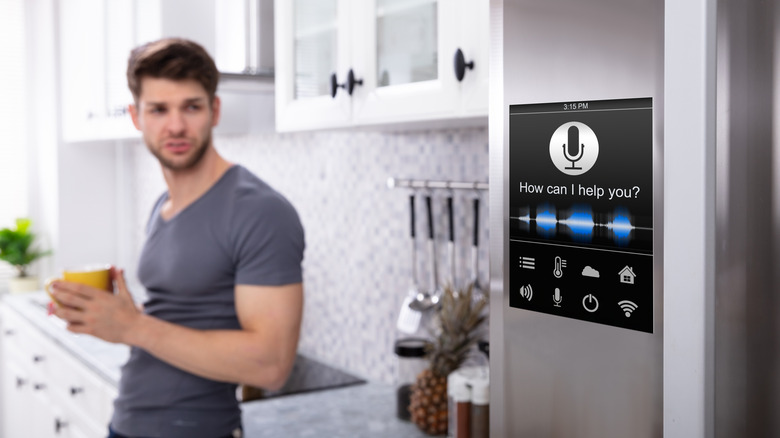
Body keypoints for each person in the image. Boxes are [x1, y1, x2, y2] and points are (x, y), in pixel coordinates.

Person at [50, 38, 305, 438]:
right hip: (127, 423)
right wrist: (110, 318)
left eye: (191, 106)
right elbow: (175, 320)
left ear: (214, 111)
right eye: (158, 109)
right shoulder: (163, 206)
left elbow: (270, 365)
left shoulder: (259, 211)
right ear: (136, 117)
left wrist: (133, 327)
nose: (176, 126)